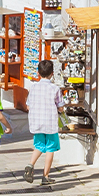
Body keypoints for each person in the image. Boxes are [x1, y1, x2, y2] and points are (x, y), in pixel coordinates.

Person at [24, 60, 67, 188]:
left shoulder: (33, 87)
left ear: (38, 72)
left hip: (36, 122)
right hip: (50, 123)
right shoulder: (55, 88)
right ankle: (45, 176)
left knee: (38, 145)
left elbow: (28, 106)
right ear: (52, 74)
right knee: (50, 149)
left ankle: (30, 164)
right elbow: (60, 107)